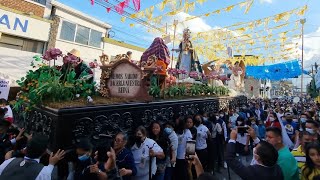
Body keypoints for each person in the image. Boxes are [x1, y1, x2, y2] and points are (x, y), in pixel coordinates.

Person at [0, 134, 65, 179]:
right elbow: (47, 175)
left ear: (26, 149)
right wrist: (51, 164)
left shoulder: (9, 161)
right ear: (45, 152)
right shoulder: (44, 173)